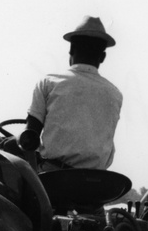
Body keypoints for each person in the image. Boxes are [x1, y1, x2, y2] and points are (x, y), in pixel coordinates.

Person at [13, 16, 123, 171]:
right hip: (98, 182)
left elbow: (30, 136)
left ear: (71, 50)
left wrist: (14, 141)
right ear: (103, 57)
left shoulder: (48, 83)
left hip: (56, 177)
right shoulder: (115, 94)